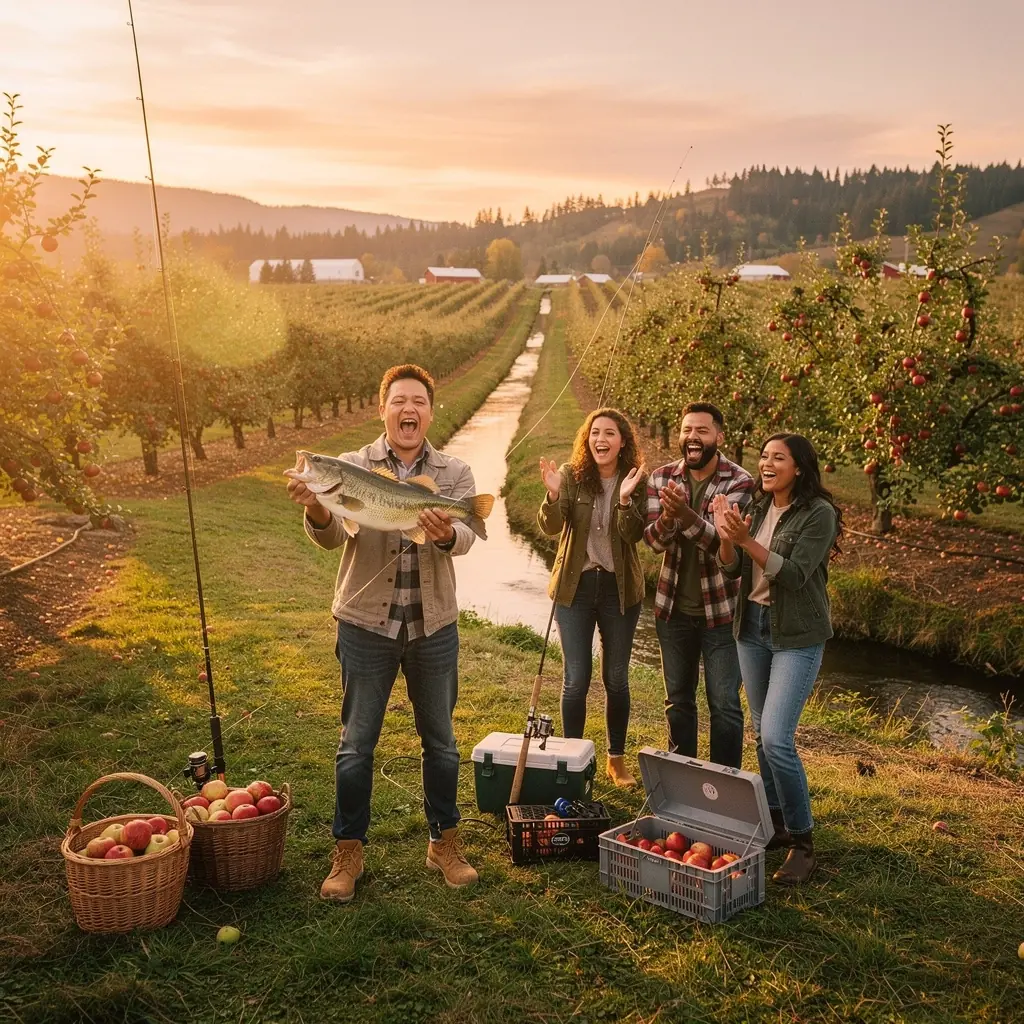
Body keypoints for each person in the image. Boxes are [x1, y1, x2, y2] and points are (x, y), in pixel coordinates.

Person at [286, 363, 481, 902]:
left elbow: (467, 534)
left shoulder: (454, 472)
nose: (408, 409)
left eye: (418, 401)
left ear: (431, 412)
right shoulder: (350, 467)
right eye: (399, 401)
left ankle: (444, 842)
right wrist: (317, 507)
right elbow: (332, 536)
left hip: (433, 625)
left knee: (442, 744)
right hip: (365, 624)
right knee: (355, 745)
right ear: (382, 410)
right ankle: (348, 850)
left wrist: (446, 536)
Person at [712, 432, 842, 885]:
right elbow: (732, 567)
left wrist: (745, 539)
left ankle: (803, 843)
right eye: (764, 456)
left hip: (796, 634)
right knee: (760, 733)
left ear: (799, 468)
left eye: (778, 458)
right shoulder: (759, 504)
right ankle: (775, 823)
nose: (767, 464)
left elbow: (795, 574)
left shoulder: (818, 513)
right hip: (752, 627)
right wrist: (726, 537)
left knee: (776, 738)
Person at [537, 408, 647, 786]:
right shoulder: (572, 475)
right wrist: (553, 494)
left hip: (620, 590)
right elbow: (551, 526)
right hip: (575, 588)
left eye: (610, 433)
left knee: (616, 678)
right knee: (576, 678)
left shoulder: (635, 479)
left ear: (622, 441)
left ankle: (616, 759)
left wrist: (625, 501)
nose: (601, 439)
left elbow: (634, 535)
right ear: (587, 439)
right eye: (595, 432)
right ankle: (573, 759)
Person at [644, 403, 754, 768]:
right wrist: (669, 519)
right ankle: (682, 776)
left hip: (722, 612)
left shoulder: (739, 482)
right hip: (672, 608)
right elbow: (654, 542)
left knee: (724, 705)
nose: (693, 437)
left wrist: (683, 515)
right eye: (687, 429)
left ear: (719, 437)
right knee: (678, 701)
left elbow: (723, 544)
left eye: (702, 431)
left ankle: (724, 780)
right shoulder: (661, 477)